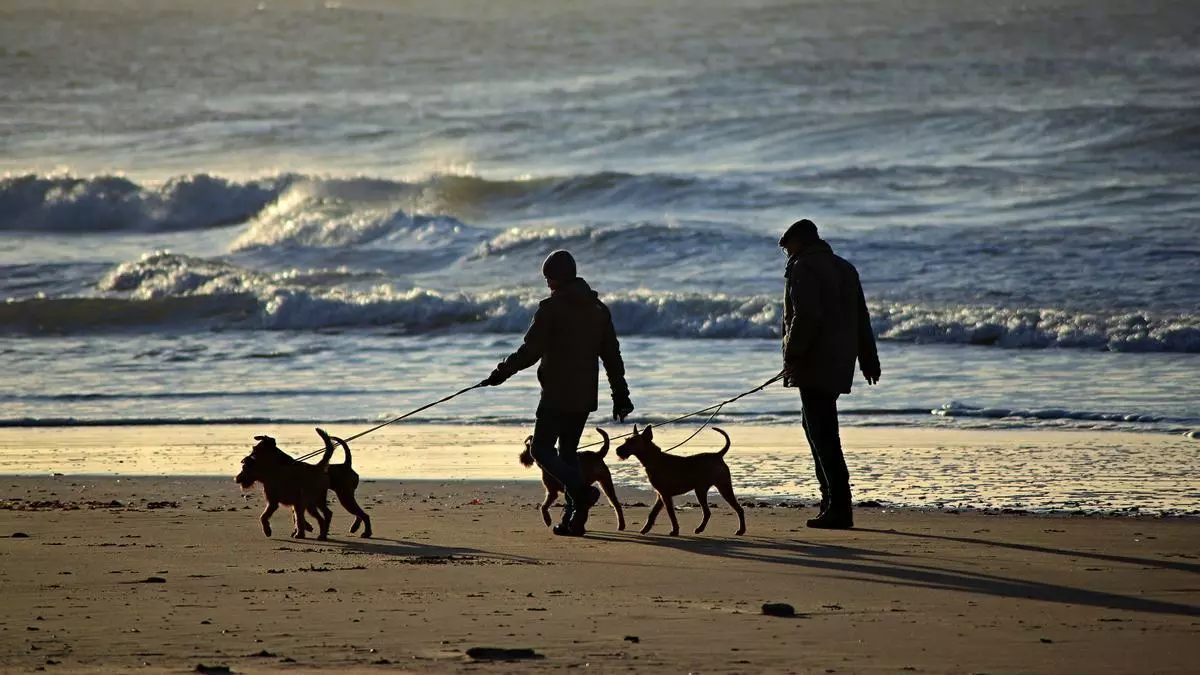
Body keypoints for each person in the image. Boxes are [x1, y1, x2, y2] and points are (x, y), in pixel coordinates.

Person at [482, 250, 634, 536]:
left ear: (558, 278)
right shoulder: (598, 309)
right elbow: (612, 356)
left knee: (540, 449)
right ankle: (574, 522)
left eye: (549, 278)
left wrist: (502, 372)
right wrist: (621, 395)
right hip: (585, 397)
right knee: (566, 456)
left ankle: (579, 492)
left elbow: (530, 351)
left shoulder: (551, 309)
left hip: (555, 395)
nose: (548, 284)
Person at [779, 219, 880, 529]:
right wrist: (868, 358)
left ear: (800, 241)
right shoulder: (844, 267)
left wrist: (792, 354)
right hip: (839, 360)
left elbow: (805, 318)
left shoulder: (804, 268)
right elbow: (861, 317)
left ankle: (838, 505)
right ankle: (830, 501)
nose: (785, 252)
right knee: (817, 428)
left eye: (787, 246)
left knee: (822, 434)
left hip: (813, 361)